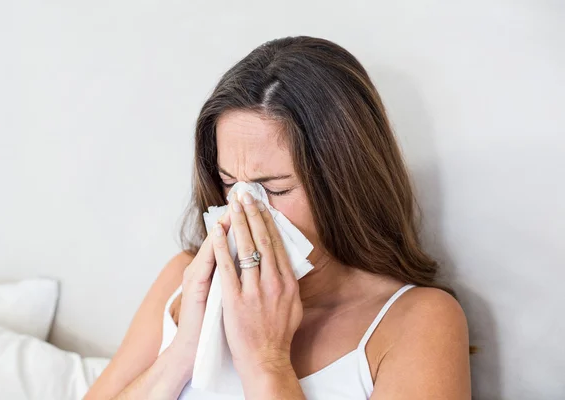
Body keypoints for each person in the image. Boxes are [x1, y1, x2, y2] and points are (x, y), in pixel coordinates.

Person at [85, 36, 471, 399]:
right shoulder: (184, 280)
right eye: (228, 182)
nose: (245, 208)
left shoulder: (417, 321)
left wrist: (267, 364)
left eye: (276, 189)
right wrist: (181, 355)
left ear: (346, 183)